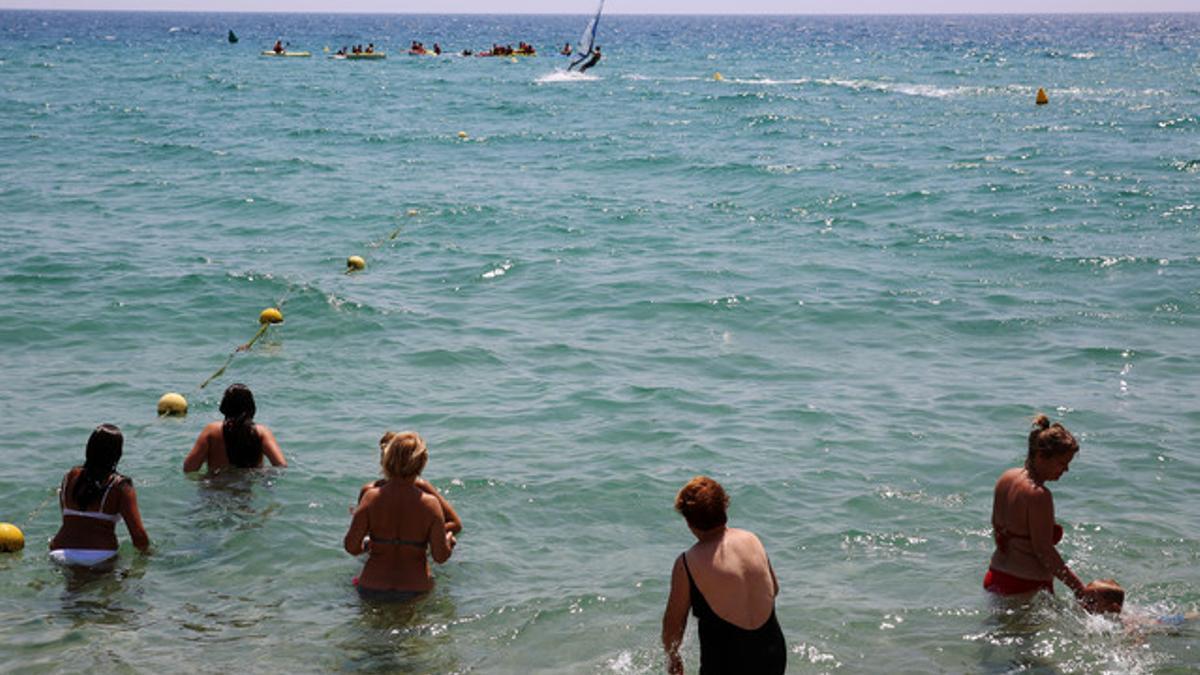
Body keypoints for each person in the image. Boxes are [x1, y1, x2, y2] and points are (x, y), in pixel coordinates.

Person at [661, 476, 786, 674]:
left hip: (727, 663)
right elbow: (774, 589)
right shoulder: (752, 539)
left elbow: (673, 625)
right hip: (772, 652)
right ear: (724, 507)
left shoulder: (686, 562)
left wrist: (673, 657)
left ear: (688, 521)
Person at [985, 415, 1097, 605]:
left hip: (995, 576)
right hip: (1024, 586)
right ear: (1040, 456)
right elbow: (1044, 551)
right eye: (1062, 463)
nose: (1066, 470)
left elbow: (998, 530)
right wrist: (1079, 589)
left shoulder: (1006, 478)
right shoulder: (1038, 495)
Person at [344, 431, 458, 601]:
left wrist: (369, 545)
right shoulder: (430, 504)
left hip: (372, 586)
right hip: (415, 589)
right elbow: (440, 557)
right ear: (422, 464)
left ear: (387, 459)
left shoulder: (370, 497)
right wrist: (449, 541)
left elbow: (351, 547)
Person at [50, 424, 150, 567]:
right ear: (118, 453)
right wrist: (150, 557)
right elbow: (138, 536)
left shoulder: (70, 477)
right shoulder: (120, 485)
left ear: (89, 448)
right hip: (100, 557)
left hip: (59, 553)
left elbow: (69, 520)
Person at [355, 430, 462, 536]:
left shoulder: (421, 486)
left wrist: (423, 536)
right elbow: (360, 529)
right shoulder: (369, 491)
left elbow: (455, 524)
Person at [183, 383, 286, 472]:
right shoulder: (261, 432)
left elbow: (189, 468)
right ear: (251, 407)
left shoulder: (212, 430)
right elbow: (281, 465)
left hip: (215, 490)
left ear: (224, 406)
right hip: (245, 491)